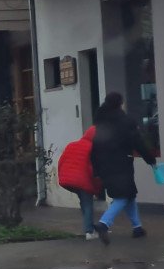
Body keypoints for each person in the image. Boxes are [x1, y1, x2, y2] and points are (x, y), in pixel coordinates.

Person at [90, 92, 156, 244]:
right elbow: (137, 142)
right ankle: (103, 224)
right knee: (122, 197)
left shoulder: (100, 122)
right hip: (121, 164)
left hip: (104, 164)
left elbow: (94, 146)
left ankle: (137, 227)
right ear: (120, 103)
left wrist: (96, 169)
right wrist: (150, 159)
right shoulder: (125, 121)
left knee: (129, 194)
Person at [57, 126, 101, 240]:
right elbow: (93, 170)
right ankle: (89, 231)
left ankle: (89, 226)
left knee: (83, 202)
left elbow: (61, 161)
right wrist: (97, 187)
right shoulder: (92, 148)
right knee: (88, 205)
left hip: (68, 180)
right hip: (82, 180)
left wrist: (62, 176)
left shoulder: (71, 144)